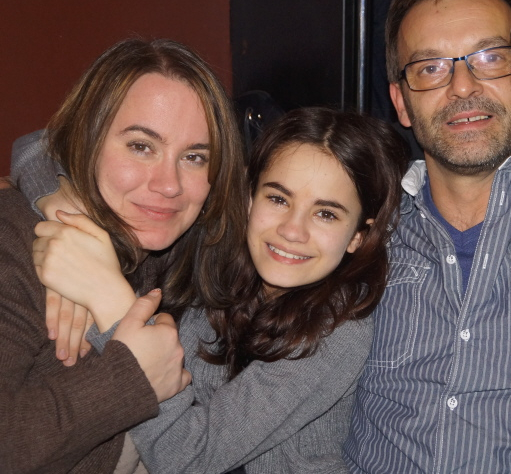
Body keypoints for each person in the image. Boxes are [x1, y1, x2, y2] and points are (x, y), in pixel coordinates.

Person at [25, 108, 409, 473]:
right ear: (249, 198)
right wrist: (62, 209)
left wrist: (107, 298)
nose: (293, 230)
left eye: (326, 214)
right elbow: (35, 147)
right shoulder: (214, 253)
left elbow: (187, 459)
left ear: (358, 236)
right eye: (278, 198)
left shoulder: (340, 331)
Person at [344, 0, 511, 473]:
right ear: (401, 103)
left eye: (490, 58)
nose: (461, 86)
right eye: (430, 67)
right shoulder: (353, 237)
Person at [0, 37, 245, 473]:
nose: (169, 184)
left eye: (193, 157)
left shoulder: (200, 245)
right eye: (141, 146)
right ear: (87, 139)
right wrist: (131, 377)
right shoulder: (14, 241)